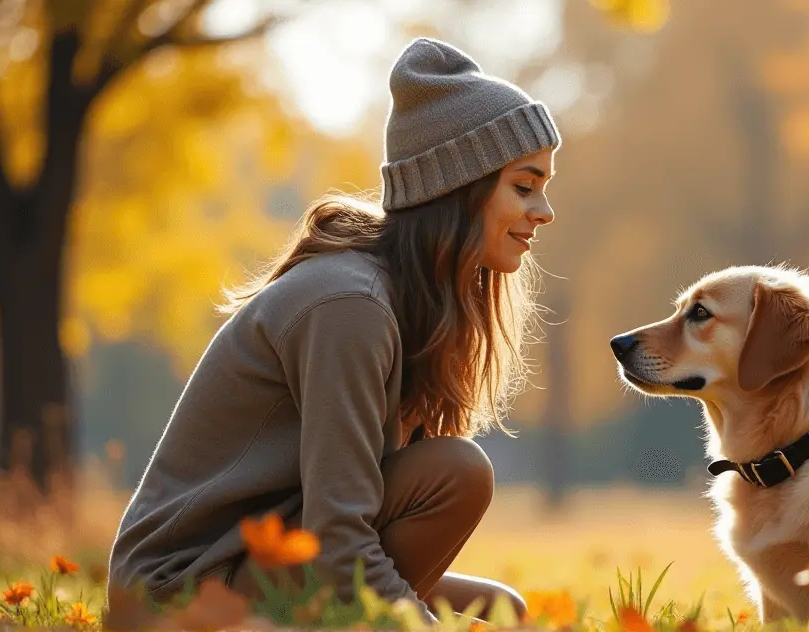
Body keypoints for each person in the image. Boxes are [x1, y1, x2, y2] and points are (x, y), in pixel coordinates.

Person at [106, 37, 561, 623]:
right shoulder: (351, 307)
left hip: (264, 561)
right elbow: (340, 537)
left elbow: (343, 532)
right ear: (457, 191)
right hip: (177, 594)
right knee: (459, 474)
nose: (543, 211)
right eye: (524, 186)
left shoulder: (403, 303)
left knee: (503, 609)